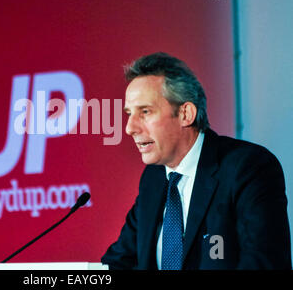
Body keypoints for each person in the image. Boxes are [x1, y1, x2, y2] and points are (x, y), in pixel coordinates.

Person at [101, 52, 291, 270]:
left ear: (185, 114)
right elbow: (119, 262)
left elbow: (265, 264)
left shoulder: (247, 167)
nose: (129, 128)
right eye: (129, 114)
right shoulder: (152, 179)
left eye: (145, 112)